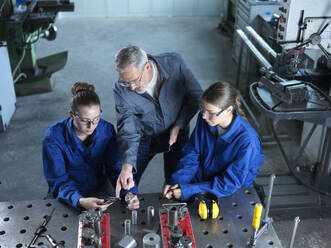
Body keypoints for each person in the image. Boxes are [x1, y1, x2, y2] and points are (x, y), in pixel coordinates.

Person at [113, 45, 203, 197]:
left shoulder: (175, 64)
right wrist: (127, 167)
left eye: (135, 80)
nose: (132, 87)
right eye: (126, 82)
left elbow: (196, 96)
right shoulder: (122, 89)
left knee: (175, 184)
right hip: (144, 136)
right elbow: (128, 129)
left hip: (177, 132)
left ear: (147, 66)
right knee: (128, 183)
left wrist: (179, 125)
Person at [42, 82, 139, 211]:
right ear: (71, 115)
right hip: (67, 190)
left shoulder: (106, 130)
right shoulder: (53, 137)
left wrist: (128, 193)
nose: (91, 126)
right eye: (84, 120)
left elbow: (115, 168)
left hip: (99, 185)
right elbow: (58, 180)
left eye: (96, 118)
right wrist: (80, 201)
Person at [163, 82, 264, 201]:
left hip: (230, 192)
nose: (204, 116)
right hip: (203, 183)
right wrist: (178, 183)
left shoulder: (248, 142)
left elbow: (228, 184)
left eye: (210, 112)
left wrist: (187, 191)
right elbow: (192, 154)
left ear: (228, 110)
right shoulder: (206, 120)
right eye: (203, 109)